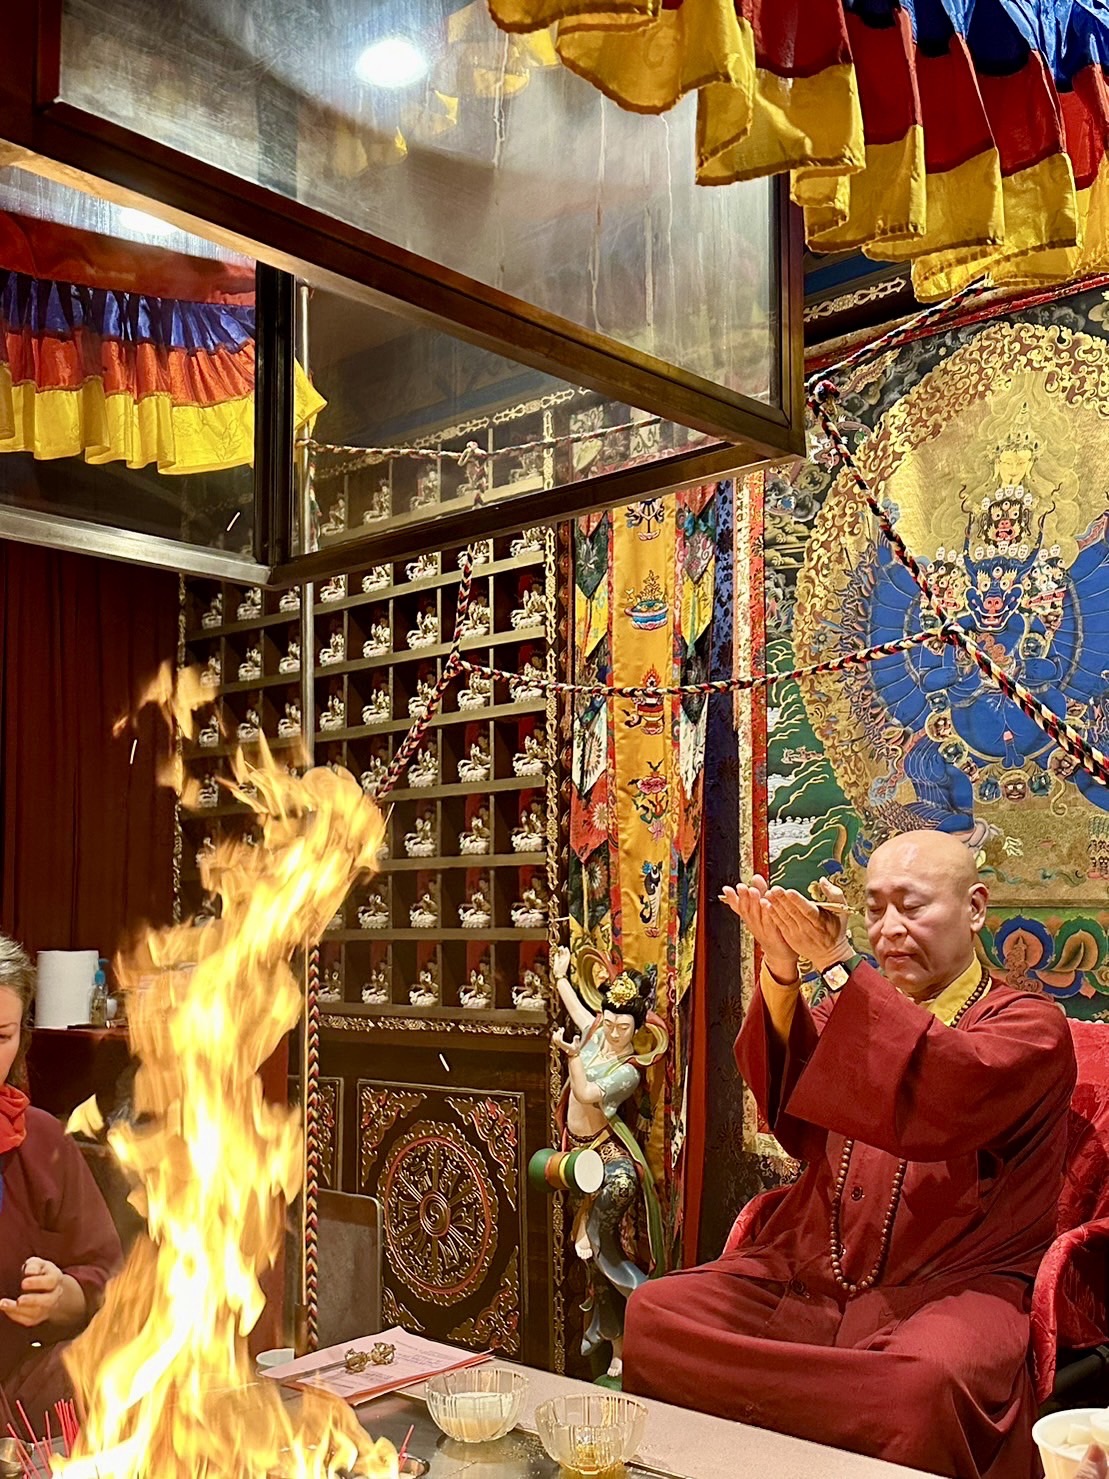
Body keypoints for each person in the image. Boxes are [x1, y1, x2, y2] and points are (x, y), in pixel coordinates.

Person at [623, 830, 1076, 1479]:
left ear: (974, 907)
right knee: (655, 1315)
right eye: (874, 909)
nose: (888, 929)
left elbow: (946, 1090)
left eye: (910, 906)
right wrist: (782, 969)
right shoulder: (851, 1007)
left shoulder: (1029, 1025)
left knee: (921, 1386)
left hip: (951, 1282)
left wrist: (838, 959)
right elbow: (792, 1113)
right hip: (814, 1266)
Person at [0, 935, 121, 1428]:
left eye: (0, 1036)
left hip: (20, 1389)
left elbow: (105, 1277)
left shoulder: (42, 1140)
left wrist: (61, 1296)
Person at [551, 946, 666, 1380]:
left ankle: (651, 1306)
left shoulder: (628, 1070)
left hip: (610, 1159)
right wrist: (560, 977)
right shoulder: (597, 1034)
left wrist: (572, 1057)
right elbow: (579, 1012)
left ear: (637, 1029)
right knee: (595, 1268)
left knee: (604, 1243)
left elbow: (585, 1094)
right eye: (611, 1022)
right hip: (579, 1156)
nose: (614, 1033)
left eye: (624, 1027)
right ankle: (619, 1345)